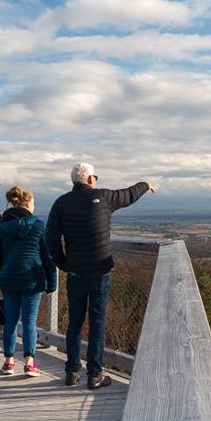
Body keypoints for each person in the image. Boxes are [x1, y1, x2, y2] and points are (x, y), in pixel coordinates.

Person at [45, 163, 155, 389]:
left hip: (75, 272)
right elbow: (129, 194)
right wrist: (147, 184)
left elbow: (51, 239)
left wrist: (63, 263)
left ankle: (72, 371)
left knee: (74, 323)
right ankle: (94, 375)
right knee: (97, 323)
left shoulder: (61, 203)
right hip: (100, 270)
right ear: (91, 179)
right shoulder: (104, 197)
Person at [0, 185, 56, 377]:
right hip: (32, 279)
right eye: (33, 203)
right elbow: (47, 257)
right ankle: (29, 363)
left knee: (10, 321)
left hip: (8, 279)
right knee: (29, 322)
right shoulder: (39, 226)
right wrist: (52, 282)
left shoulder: (1, 228)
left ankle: (8, 362)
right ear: (27, 203)